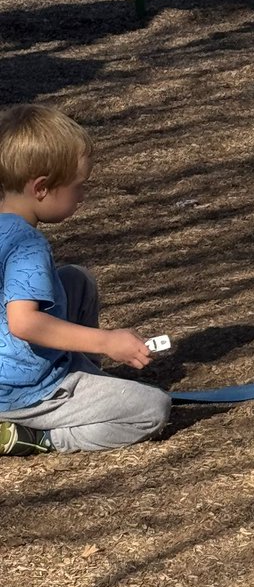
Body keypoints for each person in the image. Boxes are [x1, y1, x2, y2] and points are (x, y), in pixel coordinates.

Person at [0, 105, 170, 456]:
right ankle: (39, 435)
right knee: (151, 409)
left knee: (75, 280)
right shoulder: (27, 243)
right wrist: (105, 341)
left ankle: (85, 377)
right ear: (42, 188)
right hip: (22, 391)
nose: (83, 197)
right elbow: (24, 322)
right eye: (78, 187)